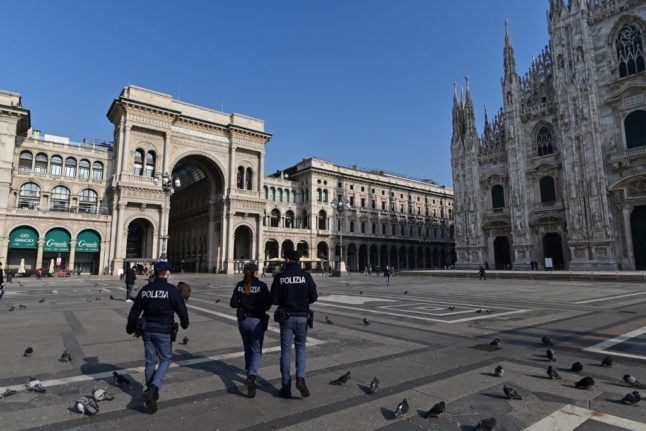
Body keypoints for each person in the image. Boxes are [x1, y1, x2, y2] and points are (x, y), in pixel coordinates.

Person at [126, 261, 189, 414]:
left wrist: (130, 326)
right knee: (166, 359)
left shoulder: (146, 289)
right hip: (163, 330)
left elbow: (135, 310)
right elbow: (181, 309)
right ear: (166, 273)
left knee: (150, 361)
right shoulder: (171, 290)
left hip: (147, 330)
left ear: (155, 272)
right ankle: (153, 388)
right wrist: (185, 323)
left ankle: (150, 389)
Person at [270, 250, 318, 399]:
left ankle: (286, 387)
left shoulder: (280, 277)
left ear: (286, 259)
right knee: (301, 348)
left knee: (285, 352)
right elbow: (314, 296)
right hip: (302, 317)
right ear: (298, 261)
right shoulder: (306, 276)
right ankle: (300, 379)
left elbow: (274, 300)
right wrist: (302, 302)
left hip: (286, 318)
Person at [229, 263, 271, 398]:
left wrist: (243, 303)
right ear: (256, 272)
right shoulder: (261, 286)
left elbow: (233, 303)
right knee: (256, 350)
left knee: (247, 348)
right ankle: (252, 376)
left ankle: (248, 372)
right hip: (257, 321)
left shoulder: (240, 285)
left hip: (243, 321)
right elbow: (267, 304)